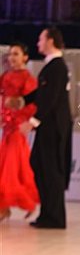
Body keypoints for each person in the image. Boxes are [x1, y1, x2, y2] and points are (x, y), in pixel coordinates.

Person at [7, 27, 73, 229]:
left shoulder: (57, 67)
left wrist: (33, 121)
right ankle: (48, 214)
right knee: (40, 166)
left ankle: (55, 217)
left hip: (53, 127)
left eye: (41, 39)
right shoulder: (52, 66)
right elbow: (42, 93)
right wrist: (22, 101)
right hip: (48, 126)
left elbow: (51, 98)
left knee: (50, 170)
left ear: (50, 41)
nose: (38, 43)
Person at [0, 43, 40, 221]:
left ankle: (24, 202)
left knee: (11, 168)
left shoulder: (27, 78)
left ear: (25, 57)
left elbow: (31, 104)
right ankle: (5, 207)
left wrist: (20, 121)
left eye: (16, 54)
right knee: (9, 168)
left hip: (17, 127)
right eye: (10, 54)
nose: (12, 58)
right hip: (7, 127)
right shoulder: (6, 75)